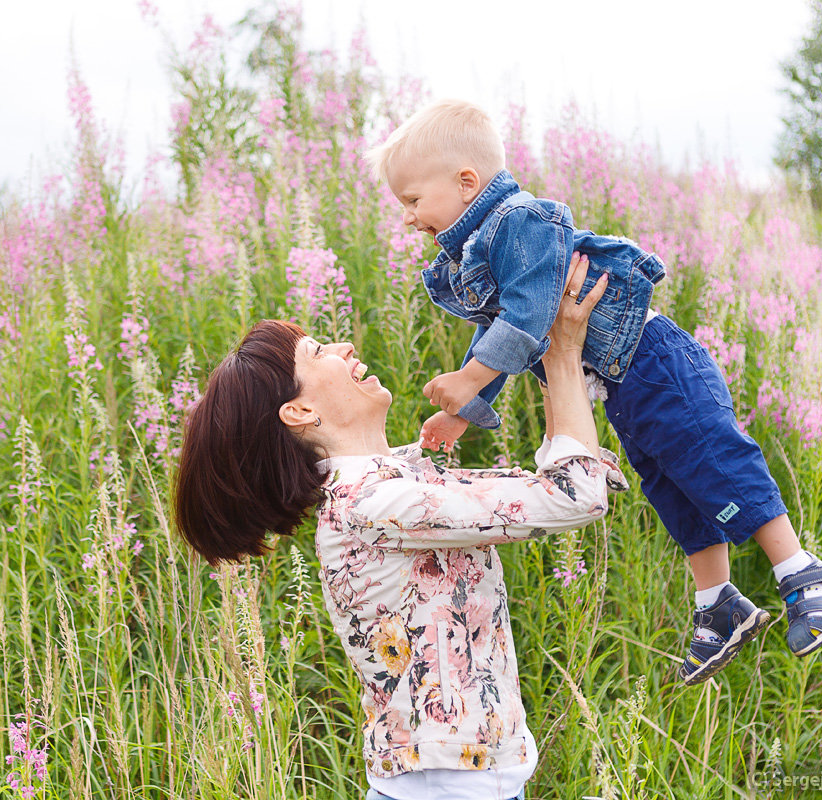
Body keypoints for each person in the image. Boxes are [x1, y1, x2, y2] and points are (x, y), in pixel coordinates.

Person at [363, 98, 822, 685]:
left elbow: (525, 318)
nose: (410, 218)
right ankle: (718, 603)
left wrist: (470, 380)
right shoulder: (483, 246)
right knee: (675, 487)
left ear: (466, 183)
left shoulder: (521, 221)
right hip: (620, 385)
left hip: (654, 360)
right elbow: (499, 334)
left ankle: (802, 570)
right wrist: (468, 409)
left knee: (712, 462)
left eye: (414, 201)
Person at [176, 255, 623, 800]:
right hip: (447, 786)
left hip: (460, 780)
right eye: (319, 352)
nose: (343, 348)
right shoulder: (376, 503)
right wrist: (564, 352)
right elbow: (574, 495)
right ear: (298, 413)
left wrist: (542, 338)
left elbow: (544, 489)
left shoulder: (394, 480)